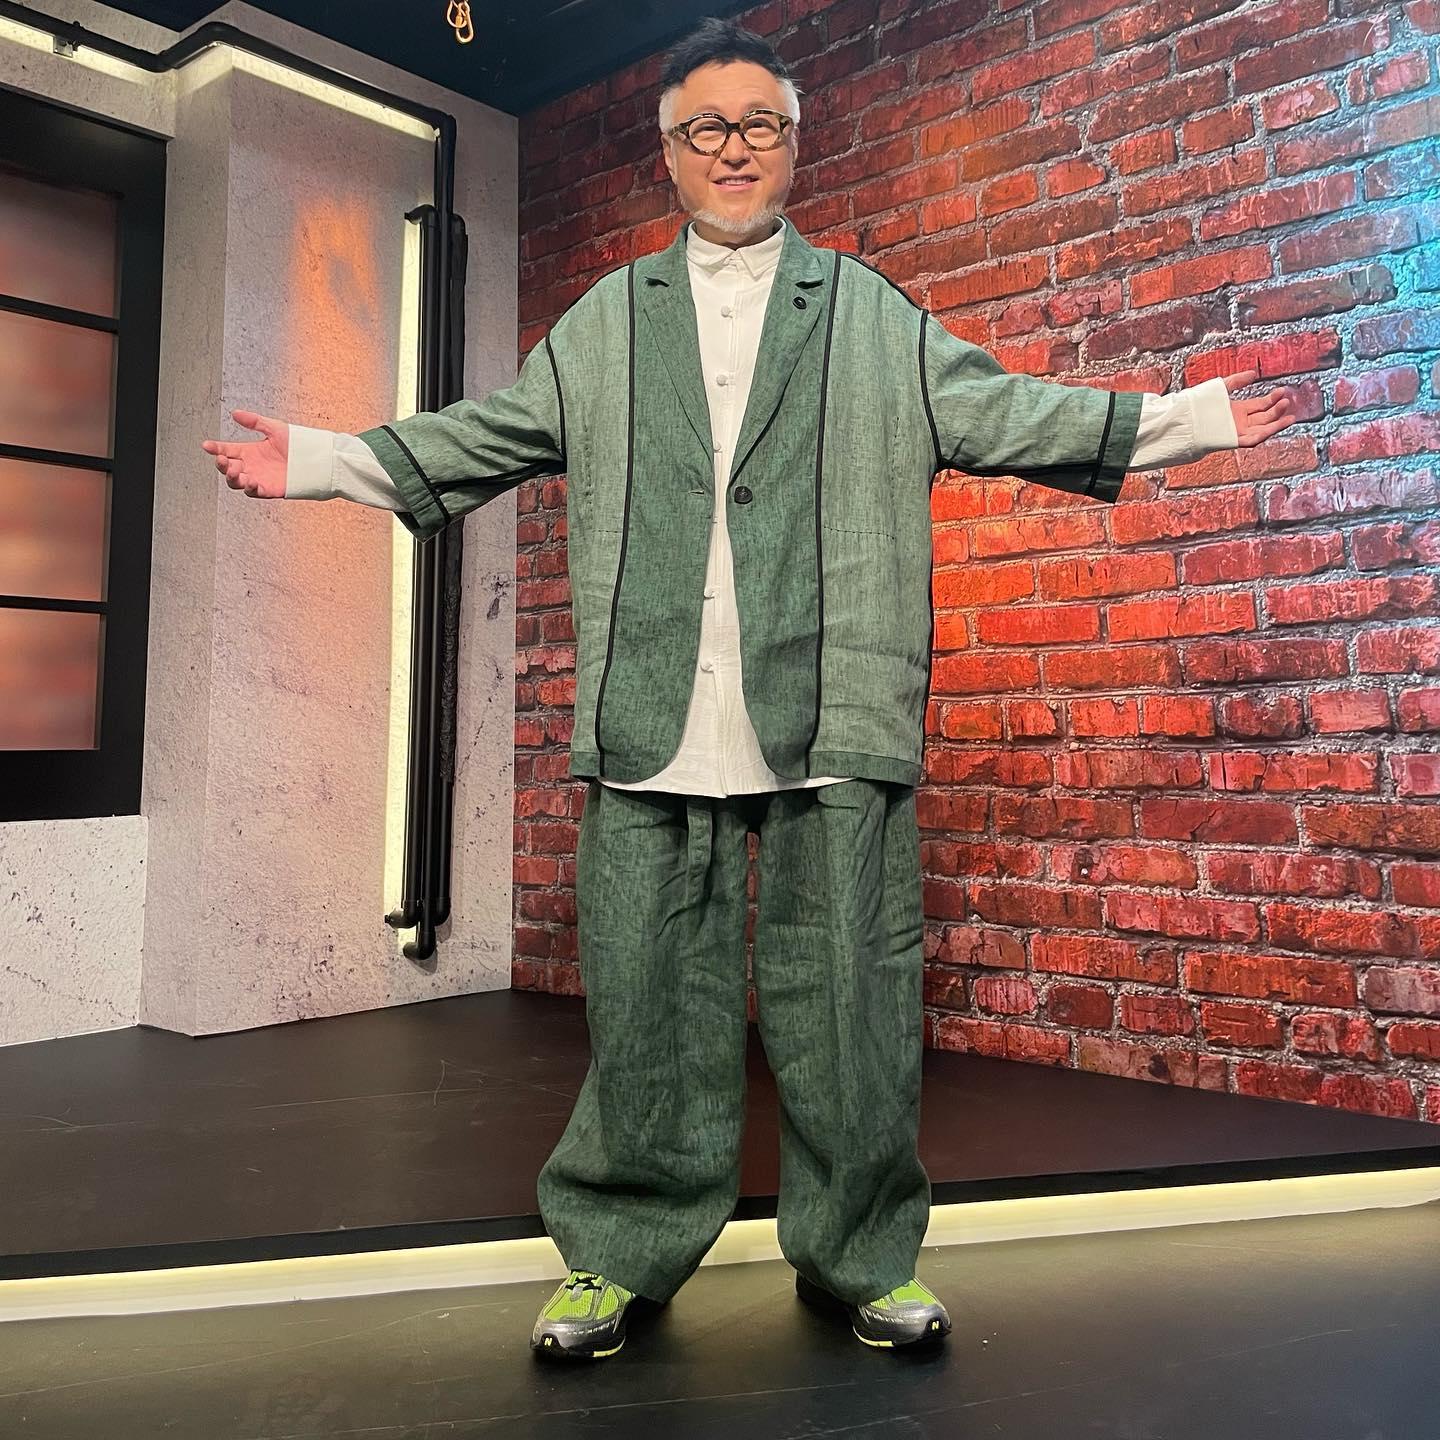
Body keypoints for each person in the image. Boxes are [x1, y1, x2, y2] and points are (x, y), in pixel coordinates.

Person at [203, 18, 1295, 1361]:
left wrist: (1194, 419)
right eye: (707, 128)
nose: (735, 149)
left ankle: (862, 1257)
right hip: (654, 704)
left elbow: (1010, 412)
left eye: (760, 124)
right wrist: (325, 459)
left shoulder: (871, 312)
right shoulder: (609, 320)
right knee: (645, 998)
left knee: (853, 997)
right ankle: (616, 1253)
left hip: (833, 701)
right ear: (670, 153)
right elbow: (491, 435)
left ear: (793, 145)